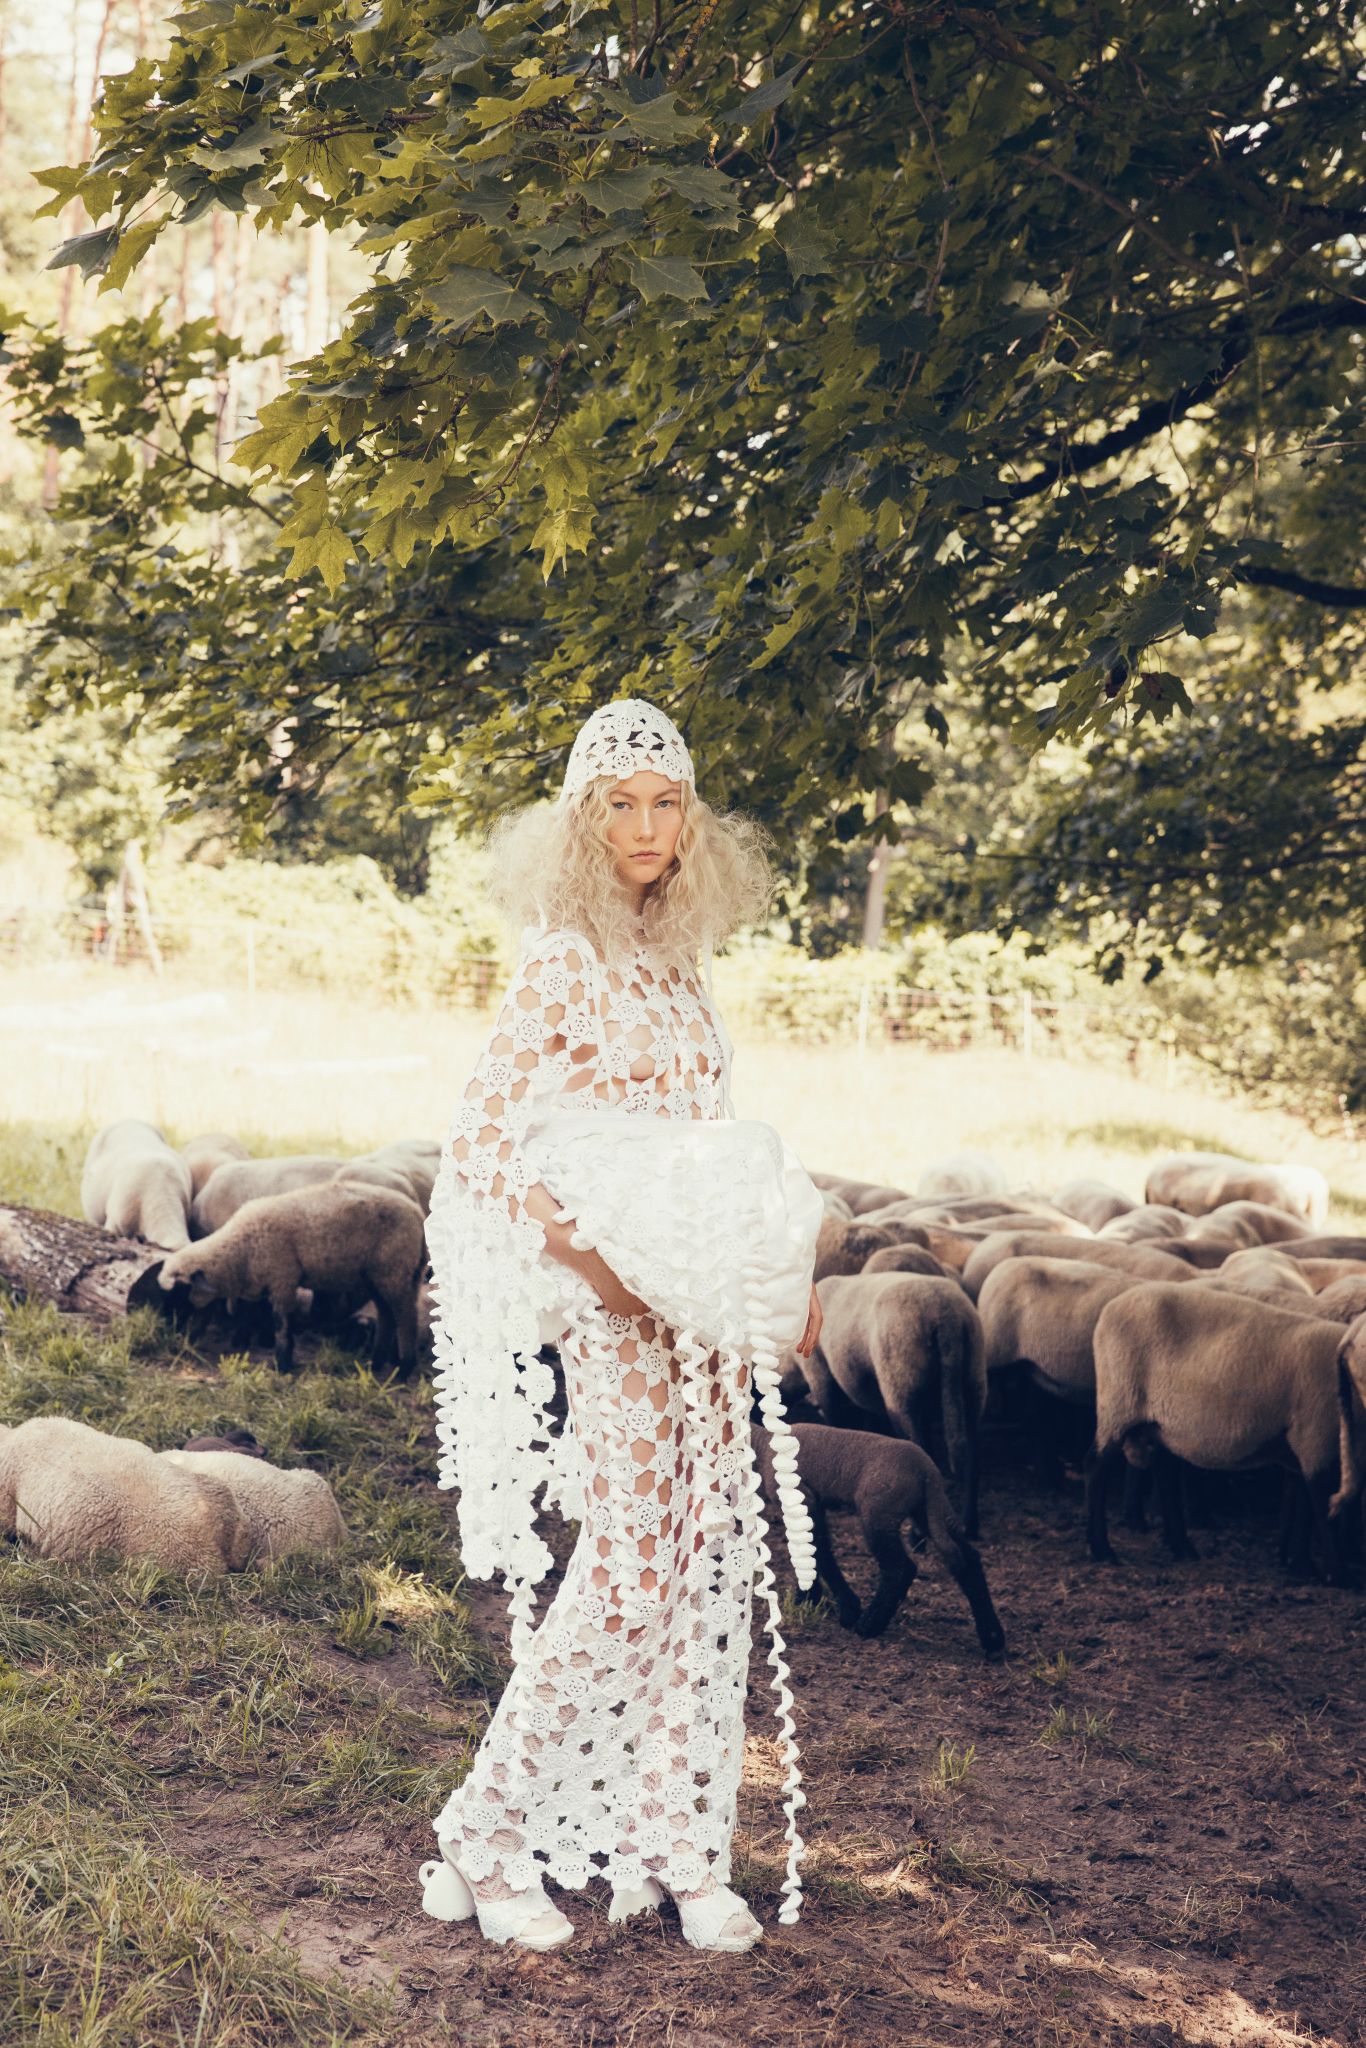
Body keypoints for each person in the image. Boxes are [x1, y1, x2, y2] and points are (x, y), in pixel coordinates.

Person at [418, 698, 824, 1954]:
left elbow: (702, 1148)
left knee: (705, 1566)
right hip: (622, 1315)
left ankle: (677, 1847)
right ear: (584, 819)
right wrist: (592, 1265)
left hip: (700, 1312)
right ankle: (484, 1835)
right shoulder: (564, 957)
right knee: (628, 1569)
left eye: (666, 804)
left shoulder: (679, 956)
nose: (646, 827)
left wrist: (775, 1273)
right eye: (621, 804)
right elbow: (485, 1138)